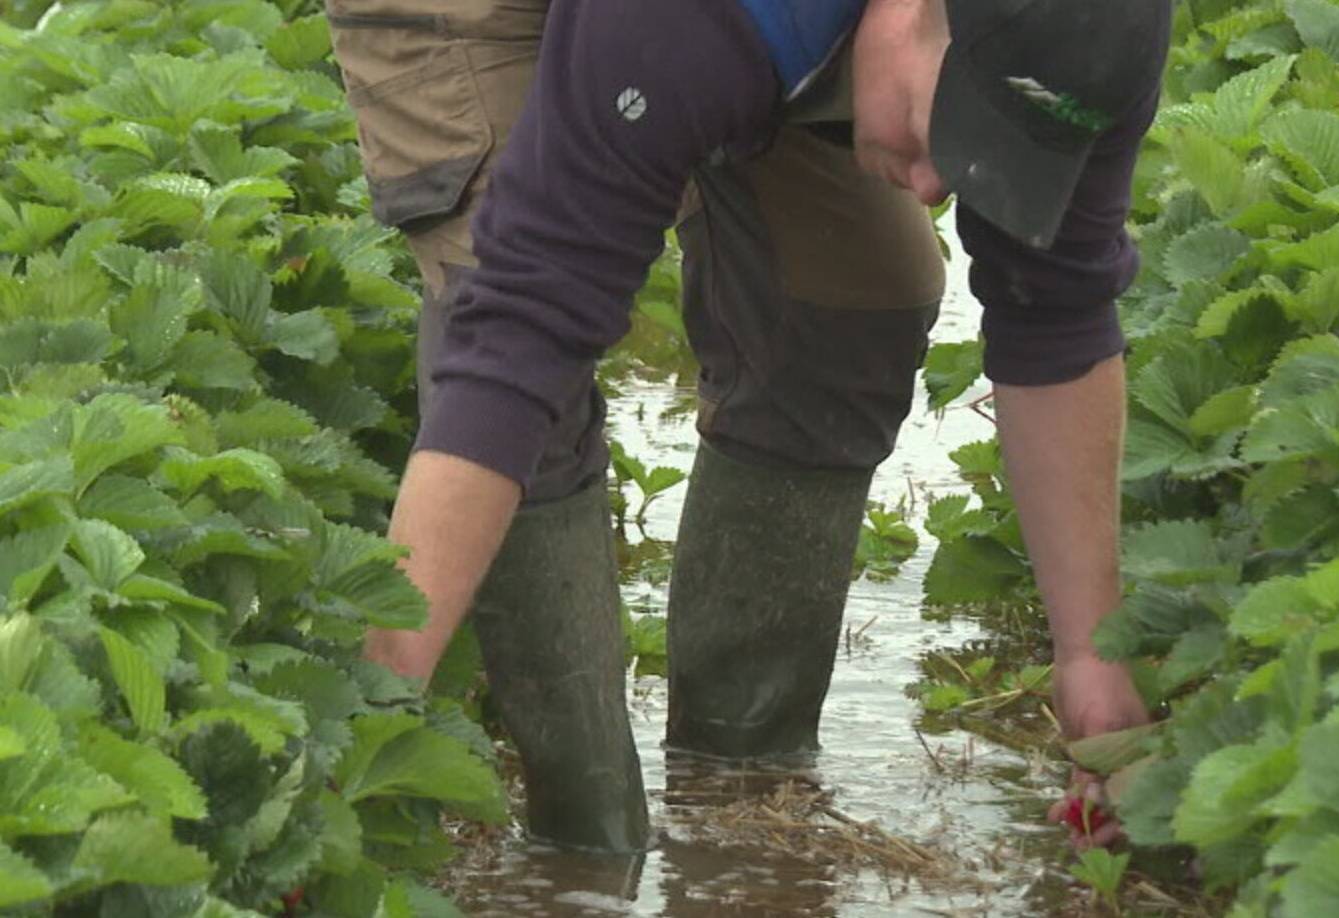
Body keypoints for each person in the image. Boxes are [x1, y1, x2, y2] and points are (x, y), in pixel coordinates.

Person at [324, 0, 1173, 854]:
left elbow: (1055, 311)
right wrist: (373, 712)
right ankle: (583, 838)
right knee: (517, 381)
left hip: (756, 32)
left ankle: (740, 793)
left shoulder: (1098, 32)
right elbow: (522, 334)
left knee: (854, 297)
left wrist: (1089, 658)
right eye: (949, 129)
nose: (931, 185)